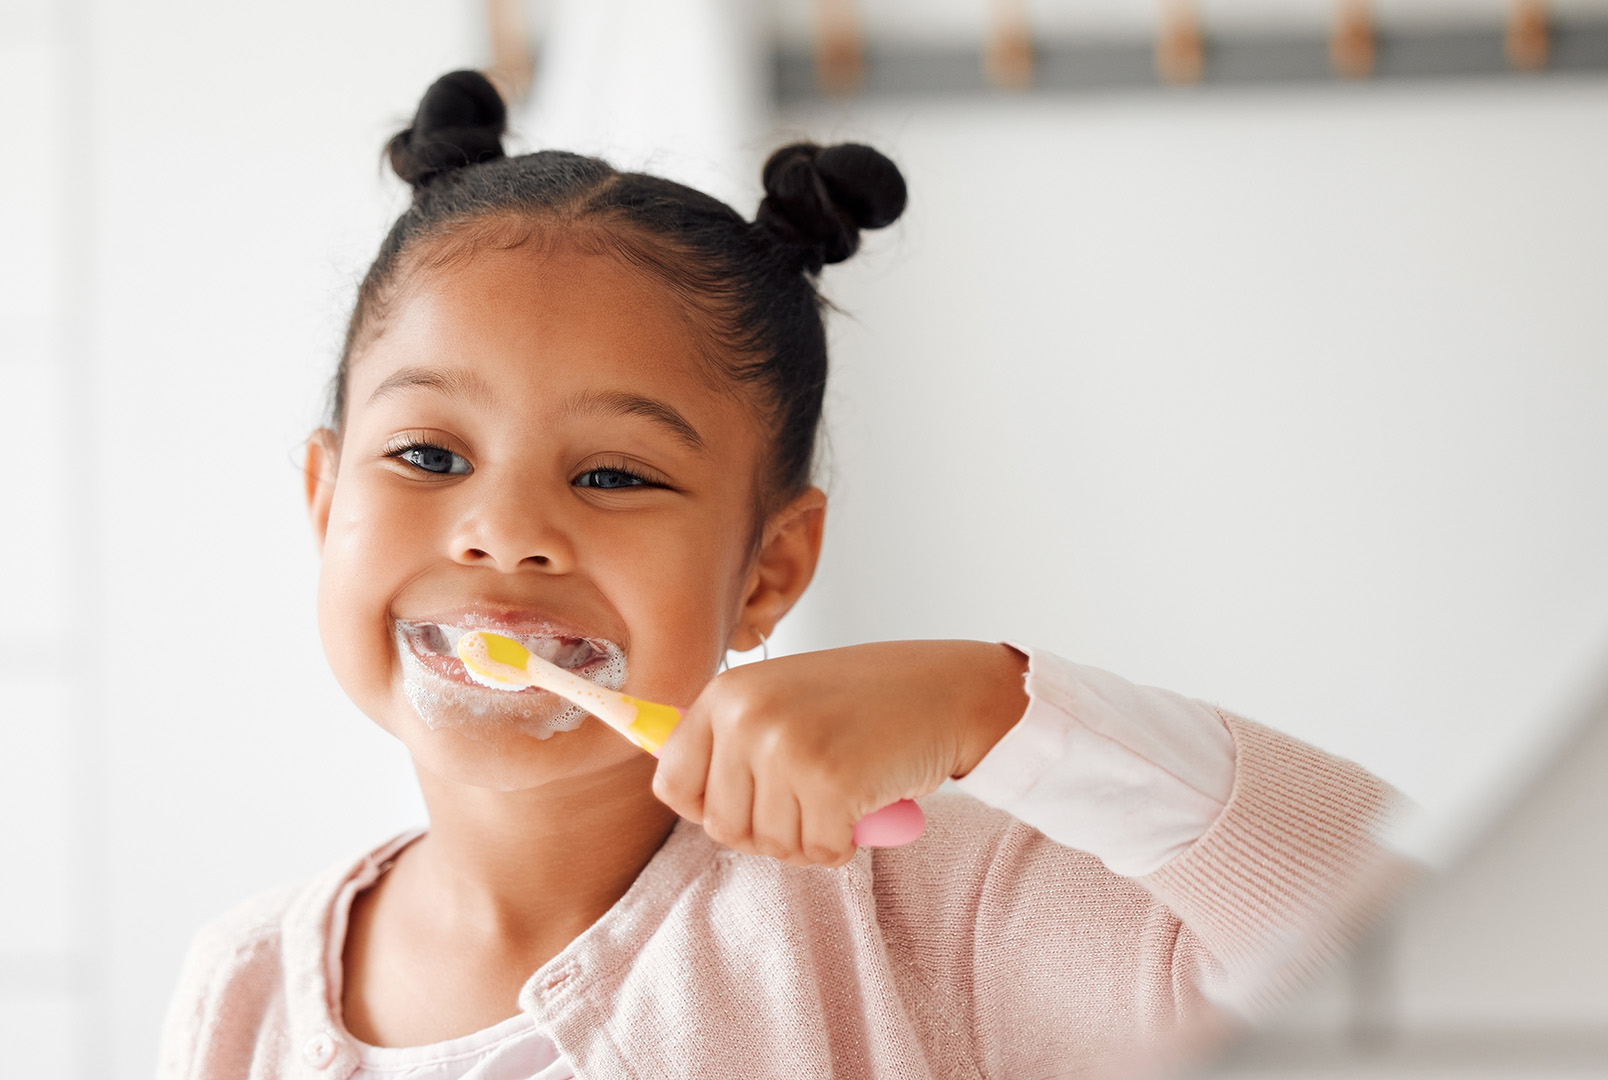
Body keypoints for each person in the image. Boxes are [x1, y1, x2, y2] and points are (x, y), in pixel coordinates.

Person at [157, 70, 1401, 1080]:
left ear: (770, 568)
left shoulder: (926, 920)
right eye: (428, 454)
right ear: (326, 503)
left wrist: (996, 708)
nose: (503, 531)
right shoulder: (242, 992)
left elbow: (1411, 960)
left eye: (613, 476)